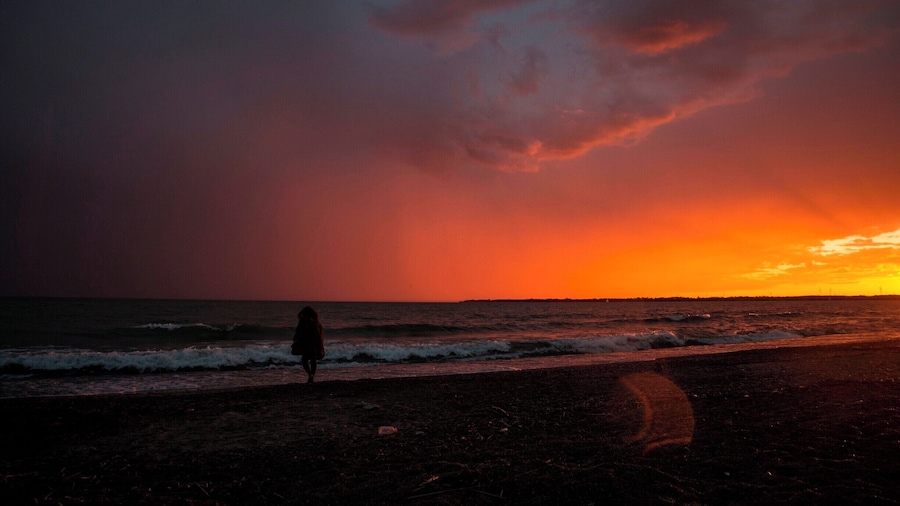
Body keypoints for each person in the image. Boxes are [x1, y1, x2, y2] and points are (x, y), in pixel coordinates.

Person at [292, 306, 325, 383]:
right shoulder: (316, 322)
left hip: (305, 344)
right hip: (314, 344)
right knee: (313, 360)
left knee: (304, 360)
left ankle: (310, 374)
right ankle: (312, 376)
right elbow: (319, 335)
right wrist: (321, 347)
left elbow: (298, 332)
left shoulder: (303, 321)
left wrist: (296, 339)